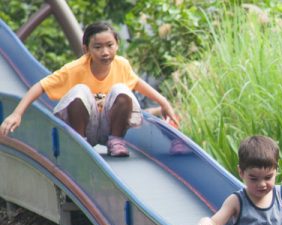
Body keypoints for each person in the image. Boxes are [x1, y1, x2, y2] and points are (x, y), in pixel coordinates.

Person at [0, 21, 178, 157]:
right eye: (98, 47)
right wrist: (17, 113)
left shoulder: (121, 65)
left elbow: (137, 83)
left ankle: (116, 142)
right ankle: (80, 142)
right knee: (80, 91)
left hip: (110, 127)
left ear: (117, 44)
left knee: (122, 91)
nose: (105, 52)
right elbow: (40, 86)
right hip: (86, 127)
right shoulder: (75, 69)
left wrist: (164, 102)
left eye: (110, 45)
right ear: (86, 50)